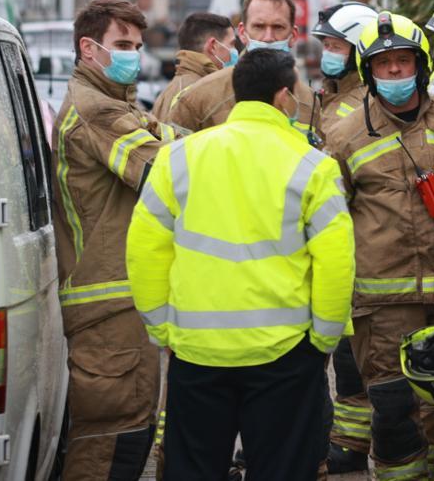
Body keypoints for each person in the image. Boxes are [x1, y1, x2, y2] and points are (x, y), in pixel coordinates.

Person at [126, 48, 355, 481]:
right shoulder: (313, 167)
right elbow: (336, 262)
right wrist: (322, 341)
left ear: (236, 94)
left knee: (193, 469)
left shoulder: (178, 159)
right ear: (285, 97)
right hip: (285, 354)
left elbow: (143, 249)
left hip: (196, 352)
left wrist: (162, 329)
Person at [325, 12, 434, 480]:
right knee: (395, 411)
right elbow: (327, 217)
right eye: (384, 65)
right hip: (383, 304)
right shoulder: (343, 138)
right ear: (368, 73)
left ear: (420, 64)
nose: (395, 72)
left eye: (403, 61)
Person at [51, 0, 176, 480]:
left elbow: (170, 133)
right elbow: (163, 170)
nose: (134, 55)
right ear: (89, 48)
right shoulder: (95, 109)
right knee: (110, 442)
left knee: (131, 432)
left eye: (138, 45)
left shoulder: (115, 102)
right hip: (105, 304)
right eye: (122, 44)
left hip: (121, 301)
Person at [310, 1, 378, 473]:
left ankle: (353, 444)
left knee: (356, 359)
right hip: (333, 239)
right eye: (325, 46)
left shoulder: (363, 103)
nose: (326, 54)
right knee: (344, 353)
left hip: (359, 243)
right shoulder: (330, 96)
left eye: (335, 46)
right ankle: (344, 437)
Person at [167, 0, 320, 141]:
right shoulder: (200, 97)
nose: (268, 37)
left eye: (278, 27)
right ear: (242, 32)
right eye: (259, 26)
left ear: (293, 35)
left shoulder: (308, 100)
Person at [153, 12, 237, 122]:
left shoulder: (167, 92)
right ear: (213, 46)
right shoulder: (207, 93)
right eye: (232, 44)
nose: (235, 51)